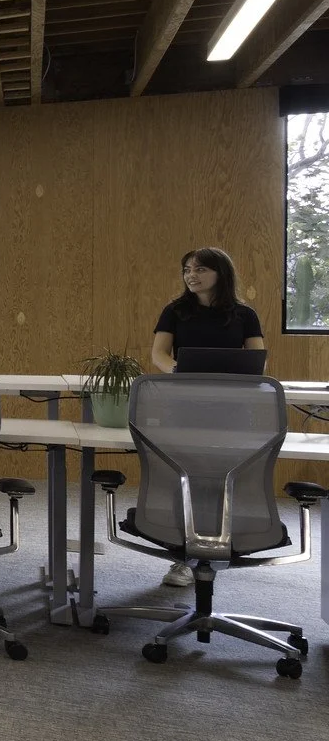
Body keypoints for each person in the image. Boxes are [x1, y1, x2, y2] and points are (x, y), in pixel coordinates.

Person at [149, 246, 266, 585]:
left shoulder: (245, 315)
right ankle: (183, 558)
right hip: (183, 406)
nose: (191, 275)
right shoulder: (175, 311)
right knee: (184, 479)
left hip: (231, 410)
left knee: (220, 481)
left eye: (200, 269)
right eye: (187, 269)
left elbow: (256, 360)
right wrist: (180, 372)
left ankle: (216, 550)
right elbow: (159, 353)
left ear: (221, 273)